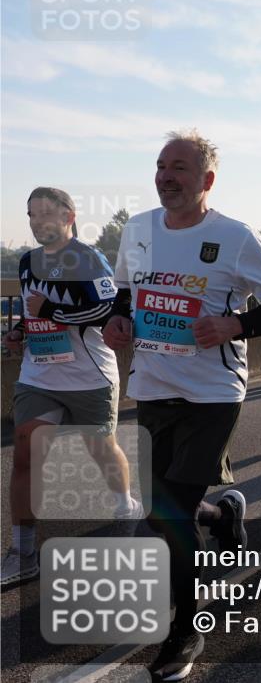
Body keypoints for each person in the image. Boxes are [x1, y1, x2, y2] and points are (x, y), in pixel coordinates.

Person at [104, 130, 261, 680]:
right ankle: (225, 513)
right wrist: (119, 319)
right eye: (162, 166)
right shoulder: (137, 229)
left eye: (180, 168)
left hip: (213, 393)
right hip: (153, 385)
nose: (167, 175)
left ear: (206, 180)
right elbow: (125, 292)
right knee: (160, 508)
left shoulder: (234, 237)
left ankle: (185, 629)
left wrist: (236, 323)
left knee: (167, 510)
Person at [1, 188, 143, 588]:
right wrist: (19, 330)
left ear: (69, 216)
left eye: (47, 213)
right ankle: (24, 551)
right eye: (32, 214)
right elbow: (32, 308)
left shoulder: (87, 258)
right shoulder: (28, 262)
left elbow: (105, 309)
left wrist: (51, 311)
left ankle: (125, 506)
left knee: (100, 449)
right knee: (25, 452)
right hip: (39, 374)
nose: (38, 221)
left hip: (89, 376)